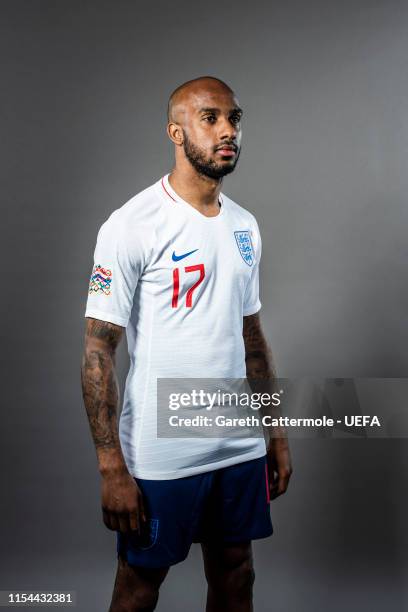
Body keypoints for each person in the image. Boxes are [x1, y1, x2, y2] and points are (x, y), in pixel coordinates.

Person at [81, 75, 292, 612]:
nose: (228, 131)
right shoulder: (132, 225)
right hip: (163, 450)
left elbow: (252, 340)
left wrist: (276, 432)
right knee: (138, 585)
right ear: (177, 132)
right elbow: (98, 349)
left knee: (236, 573)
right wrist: (111, 466)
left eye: (235, 119)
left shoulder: (246, 226)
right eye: (211, 118)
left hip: (238, 444)